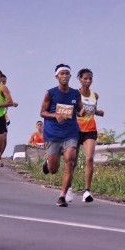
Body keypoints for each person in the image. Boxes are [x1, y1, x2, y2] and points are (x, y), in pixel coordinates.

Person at [41, 64, 83, 207]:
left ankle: (62, 195)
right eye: (62, 74)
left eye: (67, 74)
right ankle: (47, 163)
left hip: (70, 133)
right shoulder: (50, 93)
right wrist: (55, 115)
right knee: (53, 170)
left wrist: (82, 112)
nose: (65, 76)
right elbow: (42, 112)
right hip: (53, 134)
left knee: (70, 161)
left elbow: (78, 109)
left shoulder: (75, 94)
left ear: (70, 76)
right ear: (57, 76)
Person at [73, 68, 105, 203]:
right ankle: (68, 186)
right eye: (85, 78)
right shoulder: (74, 94)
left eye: (90, 78)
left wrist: (98, 112)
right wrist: (79, 113)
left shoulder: (95, 95)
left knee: (89, 158)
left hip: (90, 129)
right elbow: (72, 110)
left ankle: (87, 191)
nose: (88, 81)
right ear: (79, 79)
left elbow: (92, 110)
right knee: (72, 161)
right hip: (75, 129)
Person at [0, 73, 18, 167]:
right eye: (2, 81)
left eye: (5, 81)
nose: (4, 83)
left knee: (4, 140)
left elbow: (8, 101)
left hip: (4, 117)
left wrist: (12, 104)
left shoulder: (5, 90)